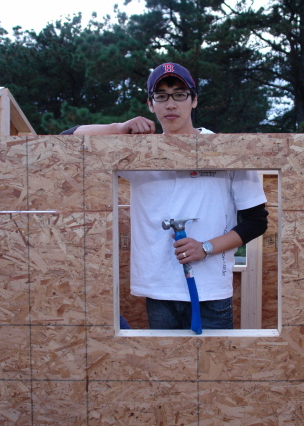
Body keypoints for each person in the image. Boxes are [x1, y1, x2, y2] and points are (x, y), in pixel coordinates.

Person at [61, 63, 268, 330]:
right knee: (165, 359)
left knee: (214, 359)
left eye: (180, 94)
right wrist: (120, 128)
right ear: (151, 104)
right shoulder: (139, 154)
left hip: (211, 292)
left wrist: (206, 248)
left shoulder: (224, 150)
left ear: (194, 100)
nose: (171, 104)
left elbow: (256, 221)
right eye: (161, 96)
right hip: (159, 291)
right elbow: (65, 139)